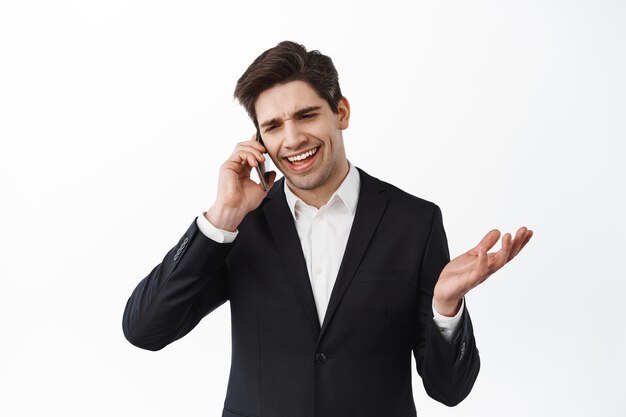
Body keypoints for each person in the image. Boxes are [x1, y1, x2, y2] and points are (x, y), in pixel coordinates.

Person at [122, 41, 533, 417]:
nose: (293, 138)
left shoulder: (415, 222)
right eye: (274, 126)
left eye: (306, 115)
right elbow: (146, 330)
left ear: (341, 112)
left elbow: (450, 389)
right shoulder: (240, 226)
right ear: (259, 139)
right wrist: (222, 215)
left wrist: (445, 308)